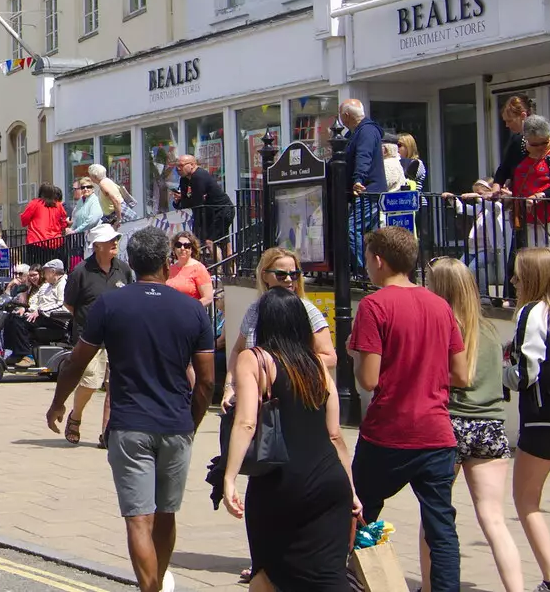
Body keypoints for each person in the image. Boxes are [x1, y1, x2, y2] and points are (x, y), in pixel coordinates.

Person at [47, 227, 212, 592]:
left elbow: (76, 361)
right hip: (175, 424)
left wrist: (59, 403)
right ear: (167, 264)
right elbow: (206, 382)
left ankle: (149, 588)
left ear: (132, 264)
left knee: (139, 520)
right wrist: (193, 422)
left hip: (129, 425)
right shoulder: (191, 310)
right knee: (166, 513)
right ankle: (156, 584)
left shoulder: (110, 304)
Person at [349, 226, 469, 592]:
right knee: (441, 527)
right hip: (436, 433)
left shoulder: (374, 305)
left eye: (368, 258)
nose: (367, 265)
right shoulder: (440, 305)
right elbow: (461, 374)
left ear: (379, 260)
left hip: (389, 432)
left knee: (358, 513)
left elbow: (368, 380)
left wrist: (358, 360)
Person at [221, 288, 358, 592]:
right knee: (328, 576)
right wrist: (352, 490)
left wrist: (229, 478)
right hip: (330, 484)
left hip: (281, 485)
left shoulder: (254, 359)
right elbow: (335, 435)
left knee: (267, 572)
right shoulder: (318, 364)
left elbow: (246, 422)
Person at [424, 256, 522, 592]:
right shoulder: (491, 331)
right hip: (490, 426)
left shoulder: (441, 327)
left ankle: (428, 583)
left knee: (435, 515)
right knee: (494, 518)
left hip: (449, 423)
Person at [505, 247, 550, 591]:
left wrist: (503, 373)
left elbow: (525, 374)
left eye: (518, 275)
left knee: (527, 501)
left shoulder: (532, 312)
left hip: (543, 419)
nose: (513, 281)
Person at [223, 249, 338, 408]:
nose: (289, 280)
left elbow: (330, 357)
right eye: (281, 274)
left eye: (294, 274)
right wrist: (230, 387)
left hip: (296, 399)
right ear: (265, 276)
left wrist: (279, 367)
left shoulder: (308, 310)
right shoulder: (254, 310)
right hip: (256, 400)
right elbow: (237, 350)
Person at [60, 223, 134, 447]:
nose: (115, 243)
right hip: (89, 339)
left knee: (114, 386)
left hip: (118, 337)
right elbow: (69, 305)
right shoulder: (80, 272)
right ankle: (76, 417)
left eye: (115, 240)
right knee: (91, 382)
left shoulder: (123, 269)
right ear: (97, 246)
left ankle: (107, 433)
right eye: (110, 240)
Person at [340, 98, 386, 269]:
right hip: (369, 191)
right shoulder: (355, 133)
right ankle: (376, 270)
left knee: (351, 230)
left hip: (367, 190)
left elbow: (363, 156)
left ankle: (367, 271)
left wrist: (358, 180)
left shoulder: (366, 131)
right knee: (373, 236)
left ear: (346, 115)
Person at [509, 114, 550, 251]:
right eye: (534, 144)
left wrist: (540, 195)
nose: (540, 147)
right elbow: (505, 169)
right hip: (528, 217)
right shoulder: (519, 147)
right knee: (533, 257)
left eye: (544, 143)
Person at [172, 154, 235, 262]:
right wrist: (180, 201)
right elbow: (187, 203)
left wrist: (188, 199)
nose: (178, 168)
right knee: (221, 241)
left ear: (192, 165)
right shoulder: (184, 180)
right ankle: (230, 271)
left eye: (181, 165)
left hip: (222, 210)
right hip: (209, 212)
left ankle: (219, 271)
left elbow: (196, 202)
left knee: (210, 242)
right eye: (177, 166)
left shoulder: (199, 176)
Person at [165, 232, 212, 308]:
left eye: (187, 246)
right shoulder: (170, 269)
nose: (182, 248)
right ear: (174, 248)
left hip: (190, 316)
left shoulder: (199, 268)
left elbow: (208, 298)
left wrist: (189, 309)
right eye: (178, 245)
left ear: (192, 249)